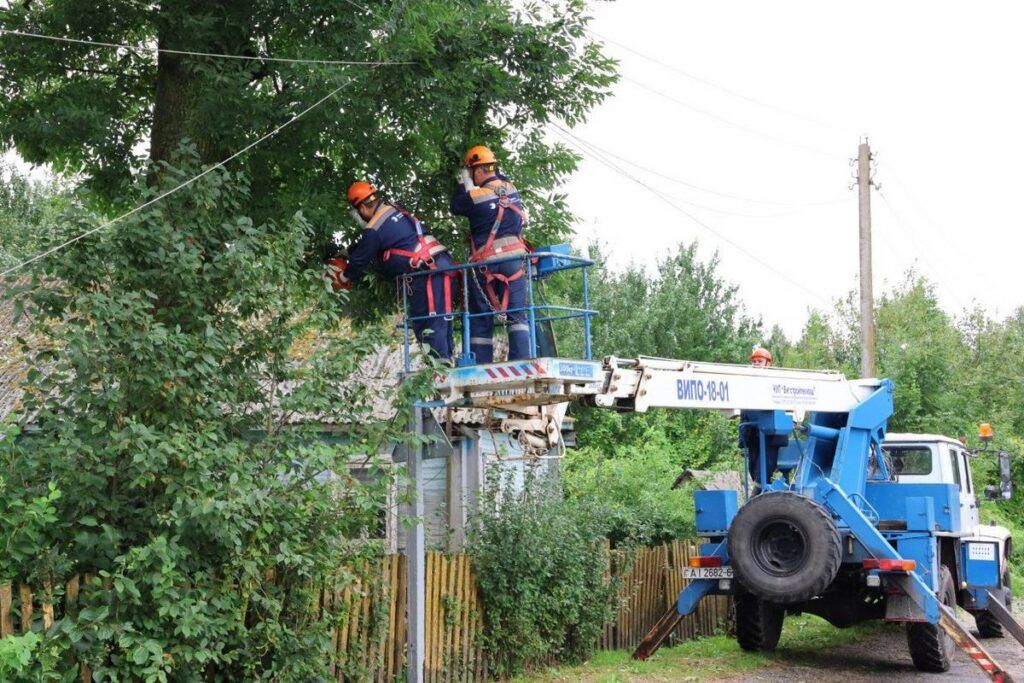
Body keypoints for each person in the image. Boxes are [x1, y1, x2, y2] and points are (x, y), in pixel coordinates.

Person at [328, 181, 455, 360]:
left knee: (427, 325)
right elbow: (374, 244)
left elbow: (360, 261)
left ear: (362, 207)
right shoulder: (394, 210)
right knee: (442, 322)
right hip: (443, 266)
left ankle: (440, 374)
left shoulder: (373, 229)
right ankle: (447, 364)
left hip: (426, 275)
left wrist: (341, 277)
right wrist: (348, 251)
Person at [449, 145, 530, 364]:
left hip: (485, 265)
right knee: (518, 316)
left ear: (476, 170)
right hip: (514, 262)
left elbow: (455, 206)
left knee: (480, 318)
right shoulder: (511, 189)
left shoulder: (475, 197)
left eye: (472, 172)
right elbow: (498, 179)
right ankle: (521, 363)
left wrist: (461, 181)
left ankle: (482, 363)